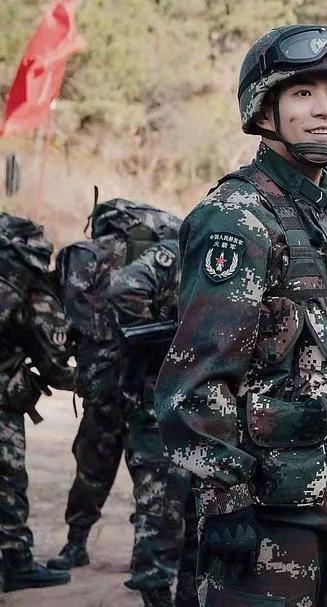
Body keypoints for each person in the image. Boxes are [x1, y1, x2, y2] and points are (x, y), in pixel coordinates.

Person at [155, 25, 327, 605]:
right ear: (264, 109)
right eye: (303, 93)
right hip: (270, 513)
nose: (325, 110)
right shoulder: (237, 216)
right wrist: (225, 495)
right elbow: (198, 374)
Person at [50, 198, 180, 572]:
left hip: (106, 382)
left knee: (93, 467)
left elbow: (68, 320)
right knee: (152, 476)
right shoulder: (160, 254)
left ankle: (76, 544)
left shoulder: (88, 256)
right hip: (149, 383)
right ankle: (147, 557)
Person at [107, 238, 198, 607]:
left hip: (205, 410)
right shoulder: (177, 252)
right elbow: (124, 289)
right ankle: (155, 593)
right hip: (158, 407)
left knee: (200, 516)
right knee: (160, 509)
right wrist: (165, 336)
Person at [0, 213, 75, 592]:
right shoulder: (26, 288)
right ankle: (16, 562)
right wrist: (95, 381)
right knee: (7, 479)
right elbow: (56, 366)